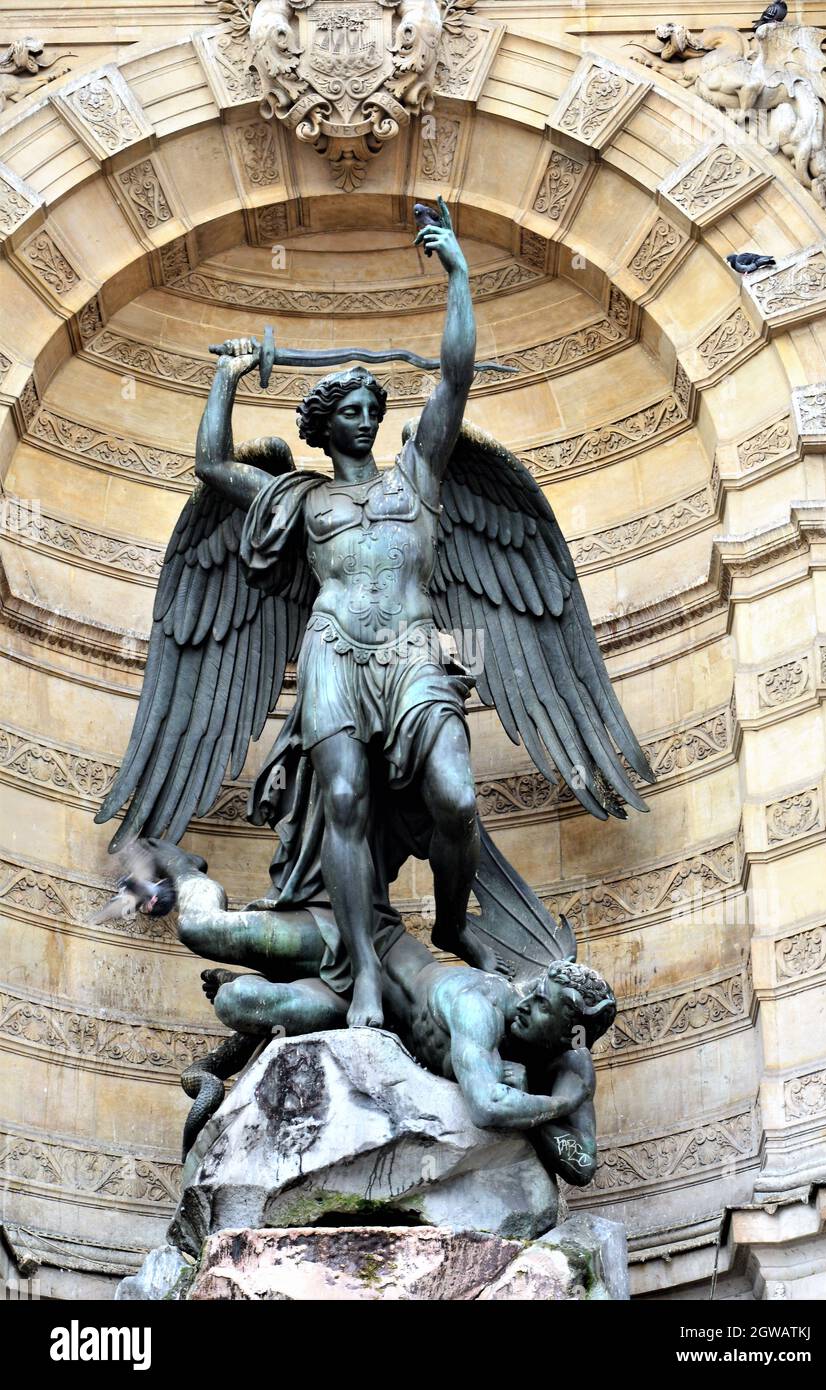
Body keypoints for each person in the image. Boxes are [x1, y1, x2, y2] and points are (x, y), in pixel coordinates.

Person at [194, 200, 482, 1030]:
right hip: (331, 649)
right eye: (348, 406)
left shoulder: (414, 476)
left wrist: (457, 274)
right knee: (345, 800)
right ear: (324, 426)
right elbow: (211, 464)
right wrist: (228, 375)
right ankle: (360, 975)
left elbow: (455, 374)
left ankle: (453, 920)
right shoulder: (299, 497)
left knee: (456, 799)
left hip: (410, 645)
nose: (364, 412)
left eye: (370, 403)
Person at [149, 839, 612, 1186]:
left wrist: (534, 1101)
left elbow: (583, 1165)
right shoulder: (482, 1005)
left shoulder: (571, 1060)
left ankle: (267, 990)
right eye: (536, 991)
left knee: (237, 1003)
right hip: (360, 945)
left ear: (571, 1033)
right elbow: (487, 1105)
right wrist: (558, 1104)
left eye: (543, 1004)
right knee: (200, 929)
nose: (527, 1000)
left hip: (354, 1014)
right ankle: (186, 871)